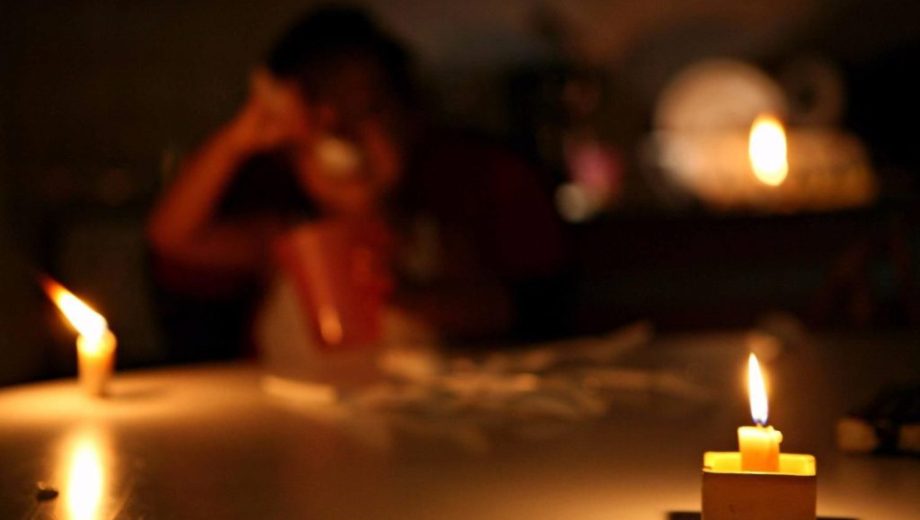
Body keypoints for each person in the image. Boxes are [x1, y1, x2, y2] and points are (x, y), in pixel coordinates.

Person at [148, 7, 567, 361]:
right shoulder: (283, 245)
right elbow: (172, 237)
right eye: (322, 123)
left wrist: (406, 295)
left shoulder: (432, 239)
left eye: (367, 112)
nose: (345, 139)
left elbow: (497, 310)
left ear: (409, 122)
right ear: (290, 153)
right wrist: (237, 140)